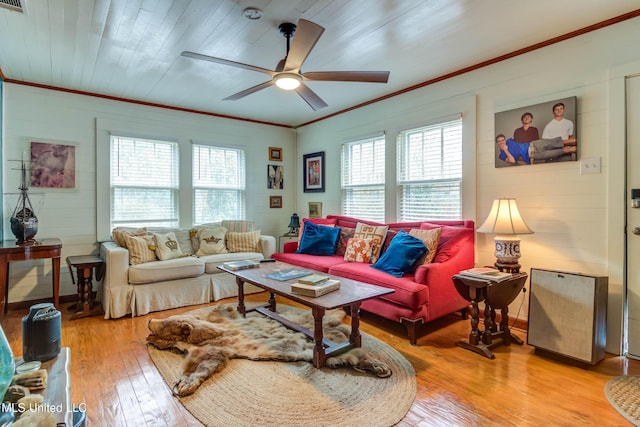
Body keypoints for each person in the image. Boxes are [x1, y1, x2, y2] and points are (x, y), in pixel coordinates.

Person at [495, 134, 576, 165]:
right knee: (560, 152)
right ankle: (573, 149)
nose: (501, 142)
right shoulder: (502, 155)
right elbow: (512, 161)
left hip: (534, 145)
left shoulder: (510, 140)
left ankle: (575, 141)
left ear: (505, 139)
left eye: (503, 140)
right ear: (497, 143)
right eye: (499, 141)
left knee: (558, 142)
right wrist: (505, 150)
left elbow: (521, 135)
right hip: (534, 155)